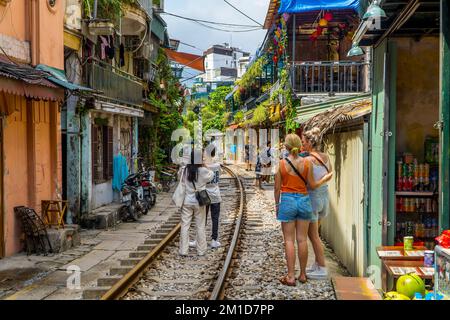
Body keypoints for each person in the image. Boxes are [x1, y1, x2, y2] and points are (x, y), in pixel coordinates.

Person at [274, 134, 333, 285]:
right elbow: (312, 184)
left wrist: (277, 205)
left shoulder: (281, 164)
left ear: (286, 147)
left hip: (287, 200)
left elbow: (277, 189)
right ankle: (303, 275)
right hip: (304, 200)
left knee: (289, 240)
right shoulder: (307, 163)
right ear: (299, 145)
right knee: (302, 240)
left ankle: (290, 276)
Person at [302, 127, 332, 280]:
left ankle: (322, 268)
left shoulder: (307, 160)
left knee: (313, 236)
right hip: (325, 199)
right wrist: (325, 180)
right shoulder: (326, 157)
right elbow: (330, 174)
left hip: (313, 199)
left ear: (310, 143)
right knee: (316, 235)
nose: (302, 145)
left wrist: (322, 180)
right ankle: (316, 264)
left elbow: (312, 185)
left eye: (304, 142)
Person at [179, 148, 214, 257]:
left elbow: (180, 180)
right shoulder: (203, 170)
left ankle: (183, 250)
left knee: (185, 226)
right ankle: (201, 250)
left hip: (187, 200)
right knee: (200, 225)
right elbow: (211, 176)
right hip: (199, 201)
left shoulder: (185, 170)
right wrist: (205, 166)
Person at [190, 147, 222, 249]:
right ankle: (214, 240)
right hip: (216, 195)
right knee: (215, 218)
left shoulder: (203, 167)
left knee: (201, 219)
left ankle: (198, 240)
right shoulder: (217, 165)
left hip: (204, 195)